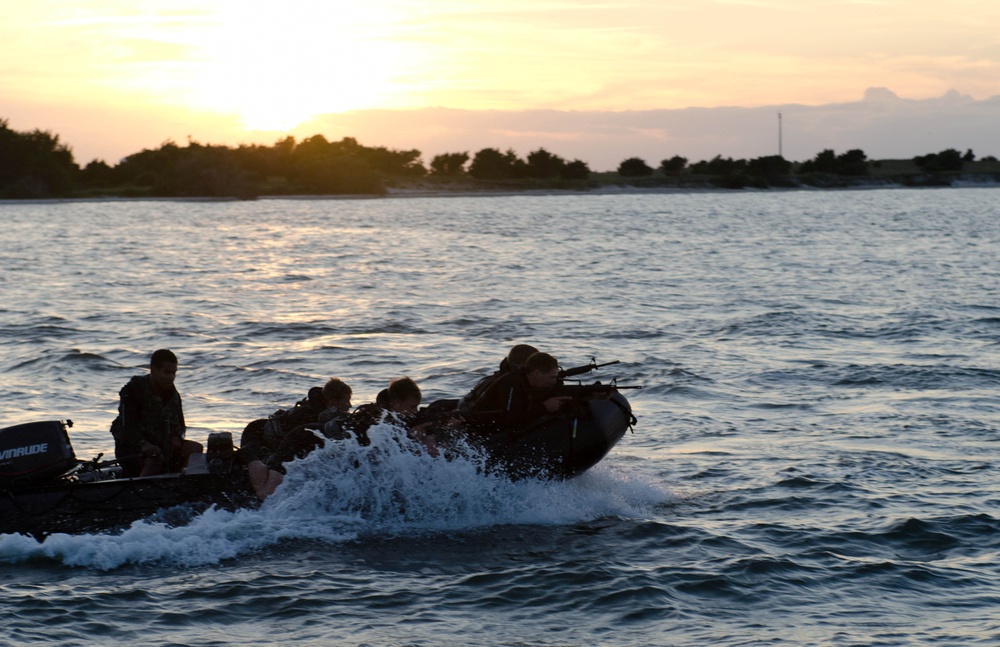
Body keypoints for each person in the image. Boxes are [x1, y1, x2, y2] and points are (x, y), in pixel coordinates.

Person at [248, 377, 427, 500]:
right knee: (267, 494)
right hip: (303, 438)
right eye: (412, 407)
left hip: (313, 442)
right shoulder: (376, 419)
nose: (415, 412)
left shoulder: (387, 420)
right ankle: (249, 455)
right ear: (396, 402)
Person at [110, 349, 203, 477]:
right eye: (167, 373)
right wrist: (144, 445)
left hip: (162, 445)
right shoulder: (134, 391)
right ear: (153, 370)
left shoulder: (173, 395)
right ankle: (141, 490)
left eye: (174, 373)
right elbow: (128, 428)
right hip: (132, 450)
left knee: (194, 449)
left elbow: (180, 425)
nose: (171, 377)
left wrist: (176, 438)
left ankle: (185, 485)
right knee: (155, 458)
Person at [239, 377, 352, 464]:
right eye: (346, 401)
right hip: (256, 434)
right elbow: (290, 444)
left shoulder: (325, 414)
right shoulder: (306, 415)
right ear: (333, 402)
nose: (350, 405)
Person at [466, 352, 570, 433]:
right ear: (537, 373)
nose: (554, 382)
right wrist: (544, 407)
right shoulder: (511, 383)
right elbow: (511, 419)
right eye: (551, 377)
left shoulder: (528, 382)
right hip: (479, 429)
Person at [457, 344, 538, 411]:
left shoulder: (515, 378)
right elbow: (509, 414)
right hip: (469, 412)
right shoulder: (508, 382)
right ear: (522, 365)